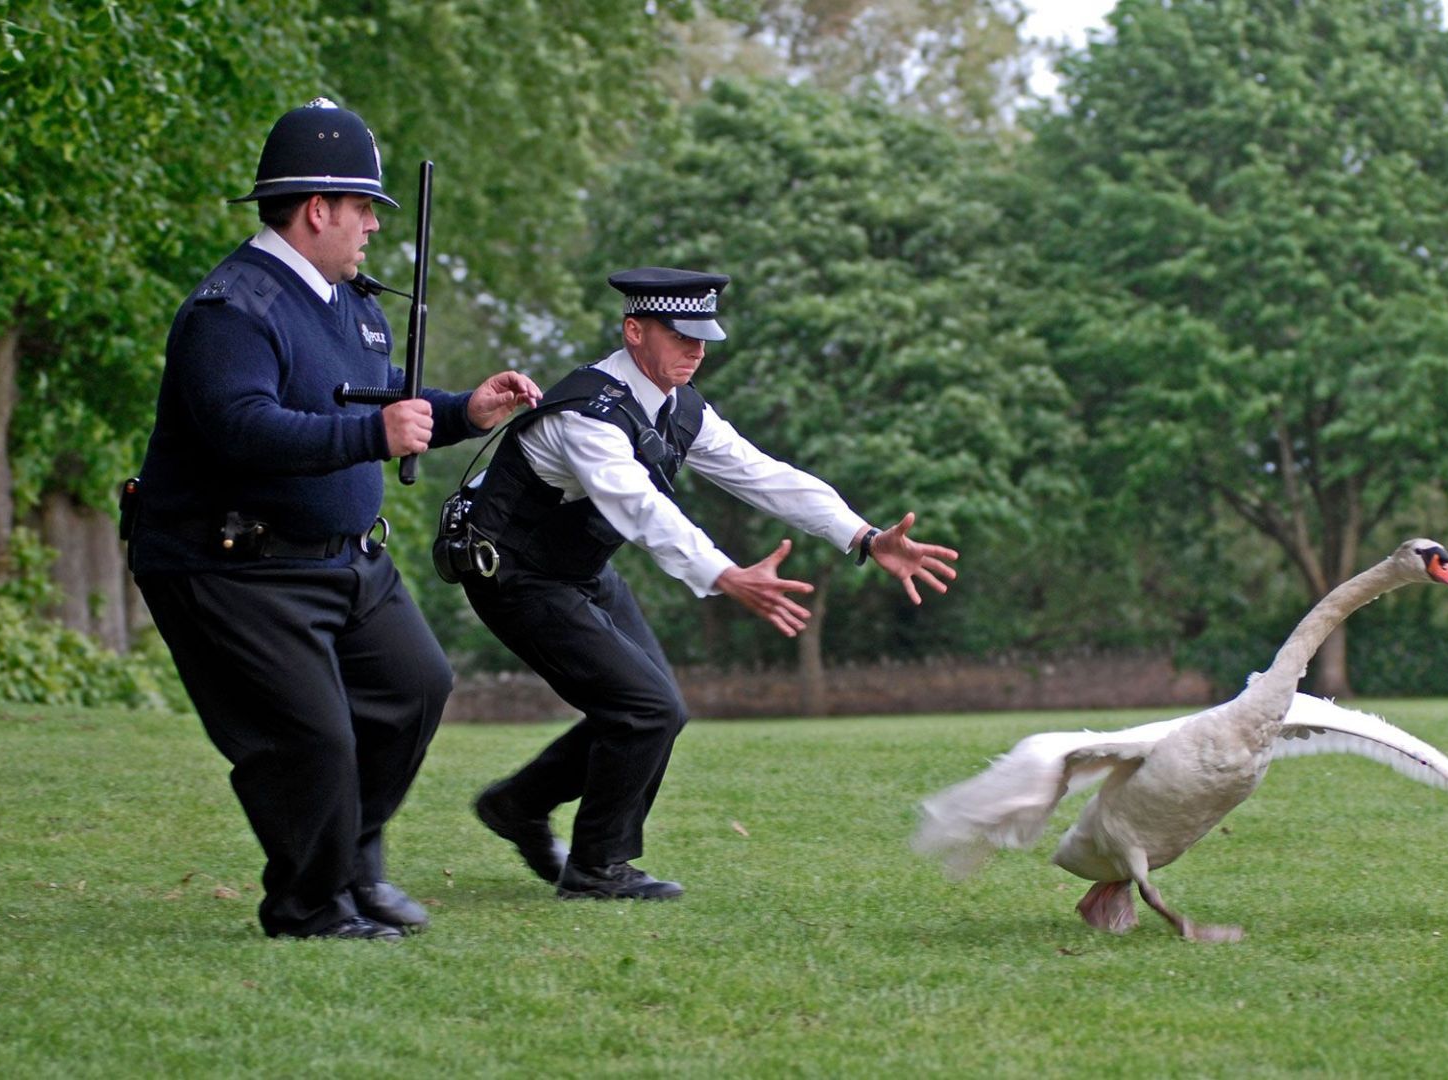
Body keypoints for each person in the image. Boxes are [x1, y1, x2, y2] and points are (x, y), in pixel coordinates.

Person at [125, 98, 539, 940]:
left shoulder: (352, 303)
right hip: (231, 562)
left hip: (344, 558)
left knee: (414, 688)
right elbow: (243, 429)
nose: (373, 230)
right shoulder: (229, 310)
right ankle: (309, 907)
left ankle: (353, 865)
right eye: (363, 210)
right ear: (318, 209)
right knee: (310, 741)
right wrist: (372, 434)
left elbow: (382, 407)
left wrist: (468, 412)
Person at [460, 267, 958, 900]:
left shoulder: (676, 407)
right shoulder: (590, 415)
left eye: (704, 337)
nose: (697, 349)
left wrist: (863, 536)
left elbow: (762, 475)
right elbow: (641, 509)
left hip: (577, 569)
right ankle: (596, 869)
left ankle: (518, 805)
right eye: (681, 335)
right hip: (513, 574)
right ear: (634, 331)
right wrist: (723, 573)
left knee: (656, 710)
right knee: (646, 709)